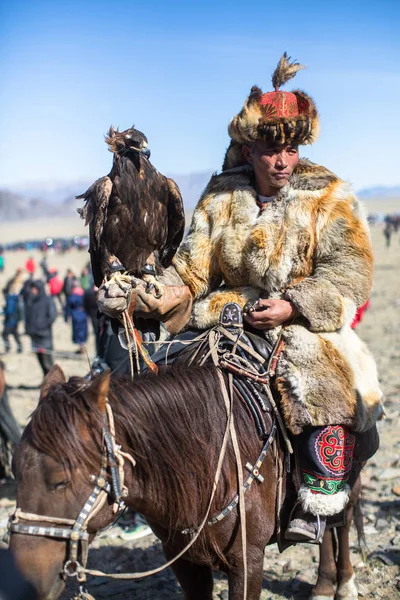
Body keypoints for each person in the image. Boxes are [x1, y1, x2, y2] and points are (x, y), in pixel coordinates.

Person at [97, 54, 383, 543]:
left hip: (304, 327)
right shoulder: (220, 197)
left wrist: (294, 306)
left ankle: (320, 497)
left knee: (329, 384)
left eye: (291, 148)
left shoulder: (331, 197)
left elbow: (349, 275)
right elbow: (191, 268)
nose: (282, 160)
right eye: (271, 148)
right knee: (157, 383)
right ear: (248, 149)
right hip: (224, 319)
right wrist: (150, 293)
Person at [24, 280, 57, 376]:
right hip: (35, 337)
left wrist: (42, 326)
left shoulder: (48, 300)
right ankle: (45, 379)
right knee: (40, 361)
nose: (33, 290)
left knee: (48, 362)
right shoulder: (32, 301)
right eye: (32, 288)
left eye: (35, 288)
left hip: (44, 336)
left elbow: (52, 316)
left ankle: (53, 381)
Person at [64, 281, 88, 354]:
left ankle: (81, 347)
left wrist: (66, 317)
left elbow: (68, 307)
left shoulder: (72, 296)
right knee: (83, 330)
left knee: (78, 331)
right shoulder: (84, 294)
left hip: (75, 314)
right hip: (83, 314)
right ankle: (82, 346)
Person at [2, 282, 23, 353]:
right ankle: (19, 347)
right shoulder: (16, 298)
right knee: (15, 334)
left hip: (10, 320)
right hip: (15, 319)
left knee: (5, 334)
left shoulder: (10, 299)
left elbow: (9, 310)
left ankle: (8, 347)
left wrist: (3, 311)